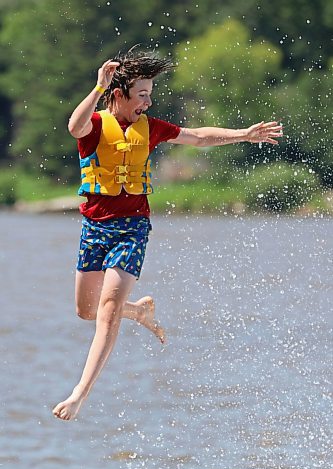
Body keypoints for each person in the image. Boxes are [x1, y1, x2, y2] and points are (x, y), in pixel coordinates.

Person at [52, 49, 282, 421]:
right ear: (119, 92)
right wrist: (97, 86)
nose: (148, 100)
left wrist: (244, 134)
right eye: (142, 93)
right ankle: (139, 311)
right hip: (94, 227)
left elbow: (199, 138)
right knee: (86, 311)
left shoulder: (152, 128)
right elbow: (73, 127)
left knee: (107, 312)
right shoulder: (95, 124)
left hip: (132, 228)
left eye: (150, 93)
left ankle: (80, 392)